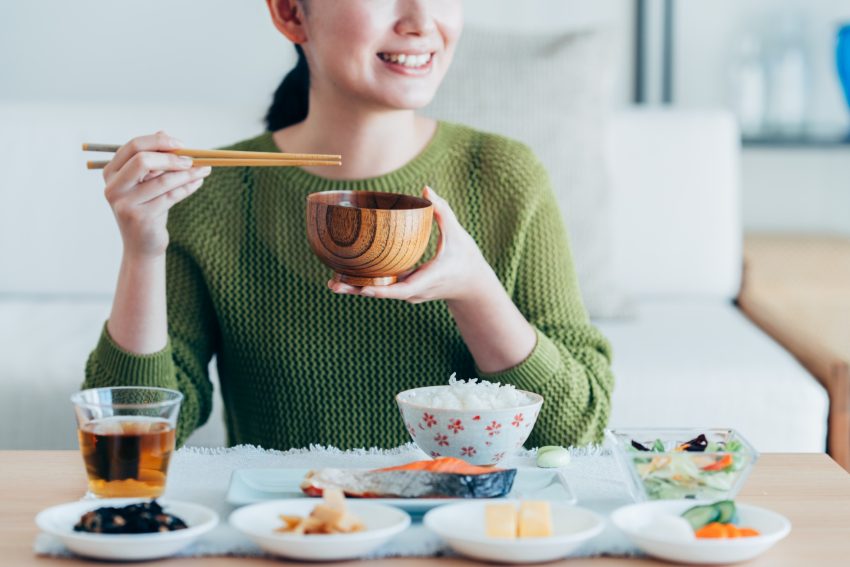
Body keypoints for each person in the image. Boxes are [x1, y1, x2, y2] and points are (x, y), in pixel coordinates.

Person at [84, 0, 614, 450]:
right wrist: (142, 252)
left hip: (460, 530)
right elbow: (131, 437)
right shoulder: (216, 192)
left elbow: (578, 429)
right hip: (294, 530)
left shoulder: (504, 176)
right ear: (292, 12)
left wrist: (476, 291)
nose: (421, 20)